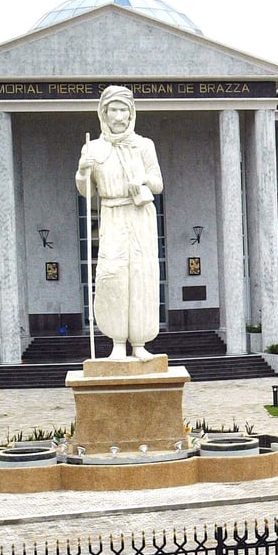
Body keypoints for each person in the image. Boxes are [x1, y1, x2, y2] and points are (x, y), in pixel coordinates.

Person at [76, 85, 164, 361]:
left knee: (140, 276)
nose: (118, 115)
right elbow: (86, 192)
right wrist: (82, 169)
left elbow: (158, 183)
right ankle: (116, 343)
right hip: (112, 214)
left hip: (140, 215)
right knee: (112, 277)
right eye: (112, 109)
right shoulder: (93, 148)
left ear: (131, 113)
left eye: (123, 109)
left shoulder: (143, 145)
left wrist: (141, 180)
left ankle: (139, 344)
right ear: (103, 113)